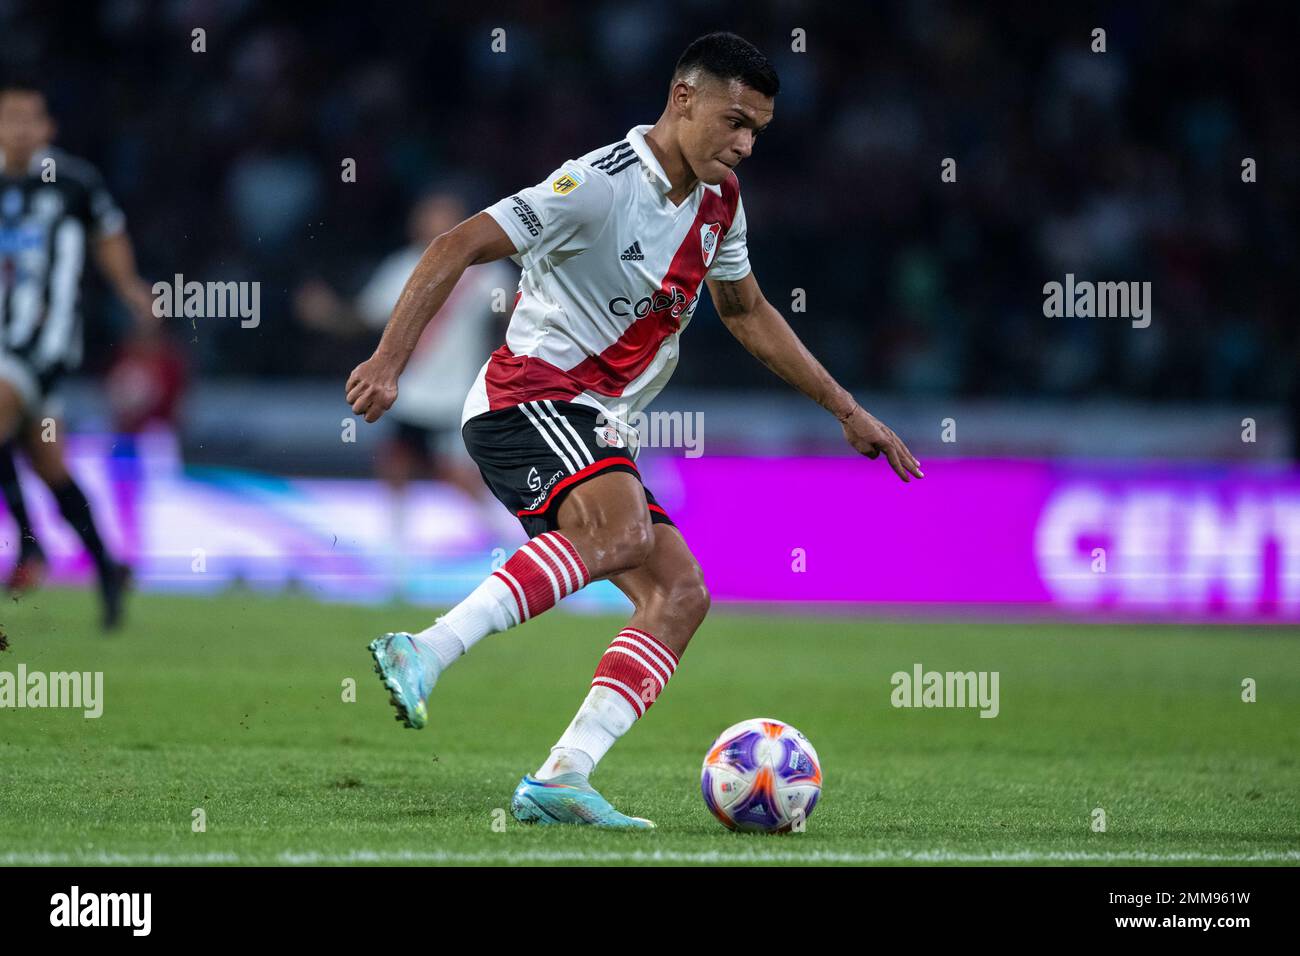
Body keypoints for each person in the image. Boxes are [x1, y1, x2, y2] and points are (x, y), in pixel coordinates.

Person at [346, 33, 922, 828]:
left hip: (594, 418)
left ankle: (562, 775)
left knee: (681, 594)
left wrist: (847, 411)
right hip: (529, 395)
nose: (745, 144)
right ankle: (427, 649)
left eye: (758, 129)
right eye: (734, 120)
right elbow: (457, 244)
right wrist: (387, 361)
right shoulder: (596, 185)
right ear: (683, 97)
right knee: (618, 534)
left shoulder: (720, 202)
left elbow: (745, 310)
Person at [296, 192, 515, 591]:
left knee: (462, 479)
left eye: (445, 215)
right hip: (408, 394)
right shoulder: (402, 268)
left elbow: (516, 319)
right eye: (430, 215)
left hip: (457, 398)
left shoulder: (486, 274)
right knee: (395, 471)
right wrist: (328, 313)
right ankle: (396, 565)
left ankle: (514, 551)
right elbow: (365, 318)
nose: (436, 223)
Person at [0, 80, 155, 628]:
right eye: (9, 118)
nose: (19, 129)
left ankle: (29, 548)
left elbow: (108, 235)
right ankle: (109, 568)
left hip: (43, 342)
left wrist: (131, 286)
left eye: (30, 119)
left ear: (47, 128)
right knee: (50, 469)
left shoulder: (72, 182)